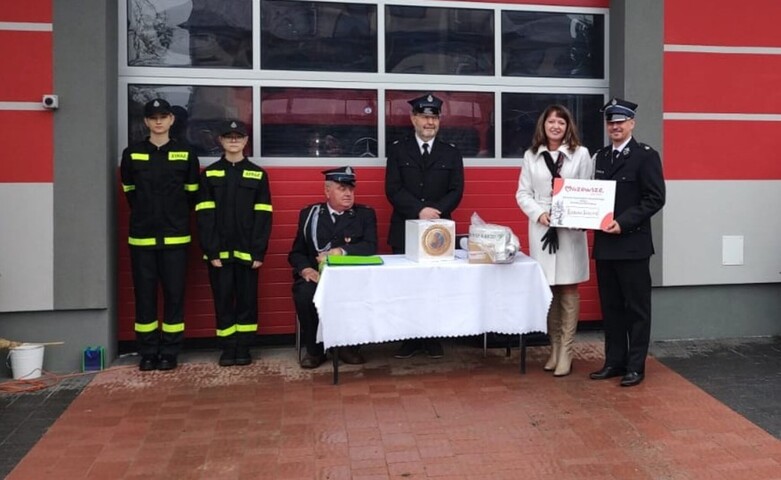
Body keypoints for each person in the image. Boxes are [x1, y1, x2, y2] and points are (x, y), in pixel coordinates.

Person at [589, 97, 666, 387]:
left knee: (637, 309)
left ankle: (636, 366)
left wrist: (624, 222)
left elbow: (655, 198)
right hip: (606, 247)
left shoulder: (646, 156)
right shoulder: (601, 157)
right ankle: (614, 362)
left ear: (631, 123)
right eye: (611, 122)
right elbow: (591, 197)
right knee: (611, 308)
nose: (615, 126)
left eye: (620, 121)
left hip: (632, 245)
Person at [120, 98, 200, 371]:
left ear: (171, 121)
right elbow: (129, 191)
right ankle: (148, 351)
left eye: (163, 116)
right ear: (145, 121)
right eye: (153, 117)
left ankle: (170, 350)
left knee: (174, 295)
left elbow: (191, 194)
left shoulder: (186, 154)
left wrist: (174, 218)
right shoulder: (132, 154)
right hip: (142, 239)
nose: (158, 121)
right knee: (144, 296)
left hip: (176, 238)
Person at [385, 92, 465, 359]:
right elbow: (392, 189)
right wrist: (419, 210)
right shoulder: (398, 150)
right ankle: (408, 337)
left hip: (439, 231)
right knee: (405, 287)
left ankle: (432, 337)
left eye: (434, 117)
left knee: (435, 286)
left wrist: (436, 211)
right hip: (405, 228)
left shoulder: (451, 153)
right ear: (413, 119)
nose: (430, 122)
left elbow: (457, 190)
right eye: (424, 117)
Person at [515, 104, 593, 377]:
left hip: (569, 230)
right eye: (551, 122)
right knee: (549, 287)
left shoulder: (581, 154)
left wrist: (575, 214)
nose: (556, 126)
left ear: (568, 126)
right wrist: (540, 214)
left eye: (561, 122)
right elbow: (522, 193)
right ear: (543, 126)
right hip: (543, 228)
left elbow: (587, 190)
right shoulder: (531, 155)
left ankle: (567, 352)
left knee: (568, 287)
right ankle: (554, 347)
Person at [196, 120, 272, 367]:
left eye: (238, 137)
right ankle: (228, 348)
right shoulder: (209, 174)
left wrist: (258, 251)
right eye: (228, 137)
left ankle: (244, 347)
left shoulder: (258, 174)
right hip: (220, 253)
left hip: (247, 252)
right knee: (223, 299)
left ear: (246, 141)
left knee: (247, 299)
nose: (233, 141)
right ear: (220, 141)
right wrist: (211, 250)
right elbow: (204, 215)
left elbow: (264, 215)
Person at [288, 167, 378, 369]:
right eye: (341, 189)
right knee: (304, 293)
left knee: (360, 293)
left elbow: (371, 246)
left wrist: (342, 251)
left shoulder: (364, 215)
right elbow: (296, 253)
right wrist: (305, 270)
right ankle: (315, 350)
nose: (348, 194)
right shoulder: (309, 214)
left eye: (351, 190)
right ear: (327, 191)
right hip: (318, 276)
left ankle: (346, 347)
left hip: (350, 276)